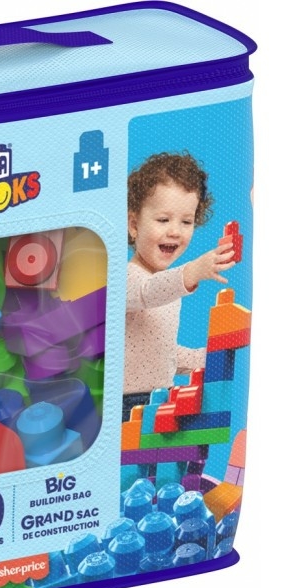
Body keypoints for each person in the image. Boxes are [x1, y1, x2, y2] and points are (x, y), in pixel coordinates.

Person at [123, 152, 236, 421]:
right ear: (134, 225)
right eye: (163, 220)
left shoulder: (171, 290)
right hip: (125, 402)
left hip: (162, 396)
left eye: (186, 221)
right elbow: (147, 291)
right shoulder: (127, 278)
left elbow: (159, 351)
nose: (175, 231)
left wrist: (205, 358)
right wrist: (191, 272)